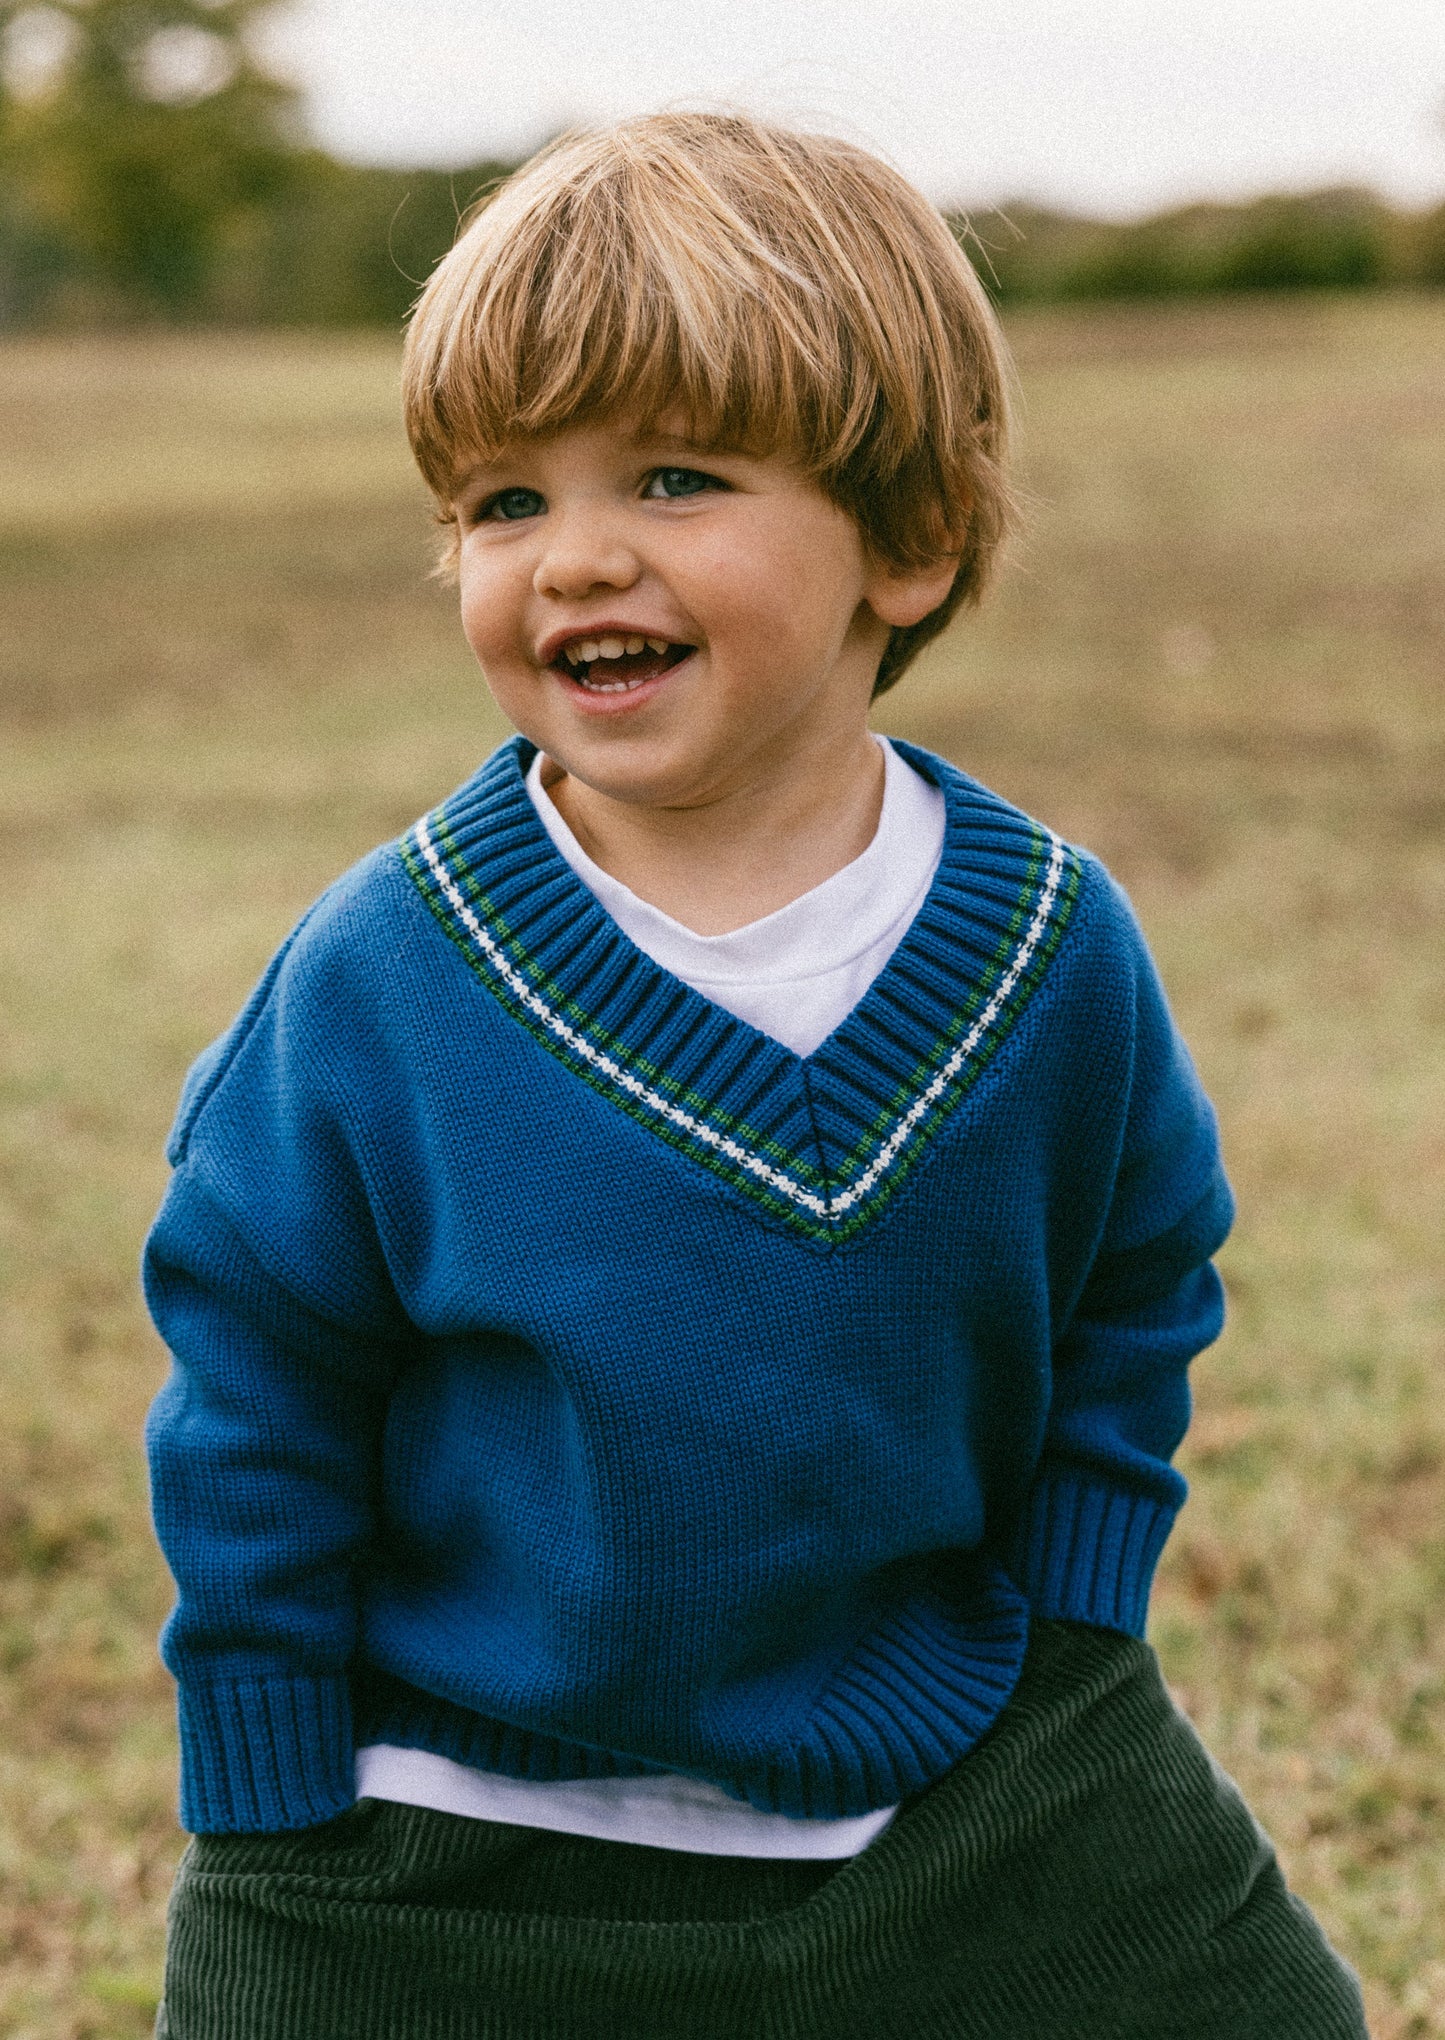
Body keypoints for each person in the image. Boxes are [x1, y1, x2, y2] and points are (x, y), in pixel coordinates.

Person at [143, 112, 1367, 2039]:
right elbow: (255, 1379)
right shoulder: (381, 976)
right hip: (457, 1833)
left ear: (912, 538)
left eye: (674, 476)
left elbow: (1137, 1274)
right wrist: (272, 1776)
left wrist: (1075, 1614)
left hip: (968, 1784)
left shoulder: (1048, 944)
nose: (575, 557)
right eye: (503, 501)